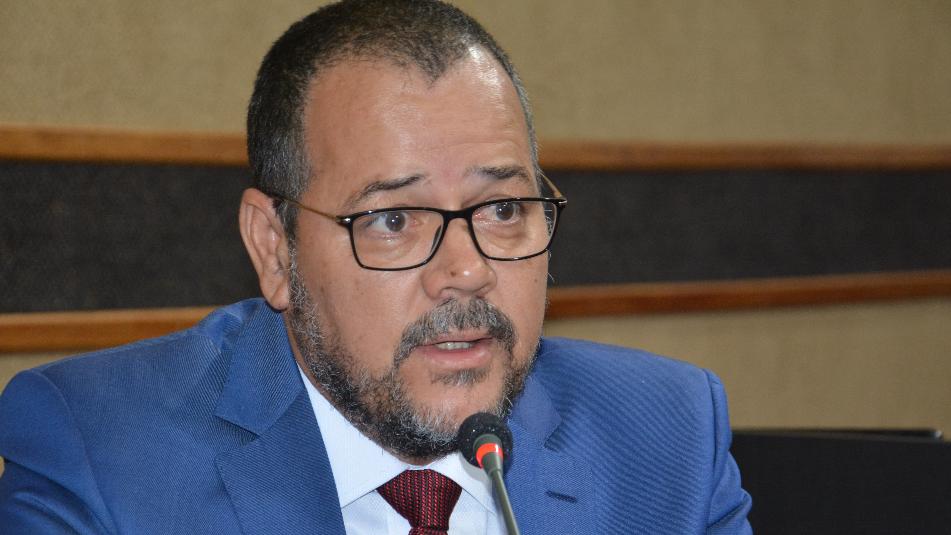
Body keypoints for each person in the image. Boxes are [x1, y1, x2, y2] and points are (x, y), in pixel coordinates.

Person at [0, 1, 751, 533]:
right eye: (393, 220)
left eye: (501, 208)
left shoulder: (668, 435)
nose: (466, 271)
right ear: (275, 248)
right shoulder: (101, 453)